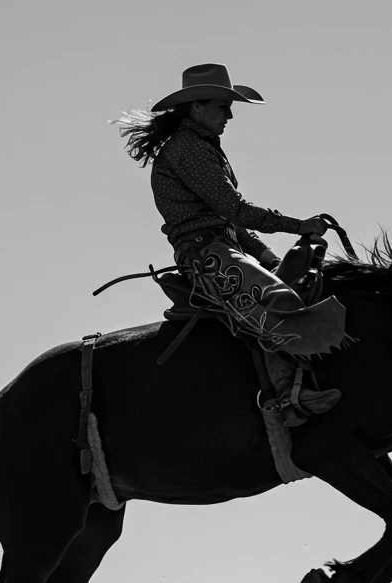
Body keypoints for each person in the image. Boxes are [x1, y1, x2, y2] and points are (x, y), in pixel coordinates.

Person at [116, 63, 342, 426]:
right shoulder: (189, 149)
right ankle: (287, 396)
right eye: (224, 106)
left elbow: (226, 219)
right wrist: (297, 225)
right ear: (197, 107)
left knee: (299, 281)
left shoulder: (201, 146)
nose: (231, 114)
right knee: (280, 298)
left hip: (221, 247)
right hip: (207, 255)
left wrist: (266, 255)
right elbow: (233, 209)